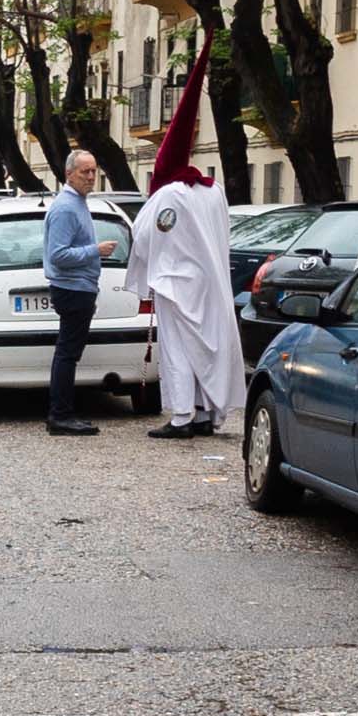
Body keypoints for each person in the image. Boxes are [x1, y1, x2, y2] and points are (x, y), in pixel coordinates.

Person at [140, 39, 236, 438]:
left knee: (179, 350)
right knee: (206, 347)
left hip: (176, 284)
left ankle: (181, 416)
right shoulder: (213, 190)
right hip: (210, 284)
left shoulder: (169, 195)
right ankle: (204, 412)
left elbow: (143, 235)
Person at [42, 148, 104, 435]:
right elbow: (58, 255)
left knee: (68, 352)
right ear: (69, 174)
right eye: (84, 172)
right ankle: (60, 416)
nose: (91, 177)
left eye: (93, 171)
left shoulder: (77, 202)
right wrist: (95, 250)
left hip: (80, 287)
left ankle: (62, 413)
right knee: (67, 353)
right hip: (72, 288)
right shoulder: (66, 207)